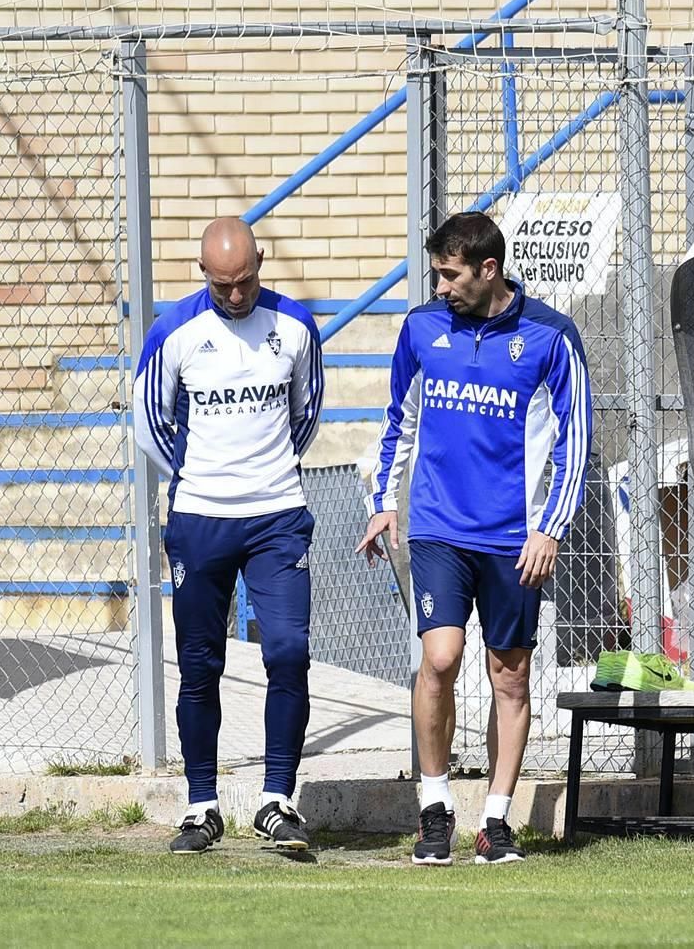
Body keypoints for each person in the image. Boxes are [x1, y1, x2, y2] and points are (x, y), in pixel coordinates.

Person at [356, 213, 591, 866]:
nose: (440, 285)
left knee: (509, 675)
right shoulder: (423, 329)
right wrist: (383, 503)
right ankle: (435, 807)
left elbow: (578, 439)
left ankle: (495, 820)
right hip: (436, 526)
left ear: (489, 270)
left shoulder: (551, 335)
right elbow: (398, 417)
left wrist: (551, 526)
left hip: (517, 539)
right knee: (441, 656)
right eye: (436, 271)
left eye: (450, 273)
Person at [133, 217, 324, 854]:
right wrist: (202, 479)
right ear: (202, 274)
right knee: (198, 664)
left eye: (244, 282)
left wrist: (265, 474)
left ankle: (276, 798)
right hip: (199, 520)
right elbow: (150, 420)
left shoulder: (295, 326)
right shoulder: (175, 331)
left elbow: (306, 413)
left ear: (260, 263)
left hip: (277, 516)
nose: (235, 295)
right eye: (222, 286)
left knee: (289, 650)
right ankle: (201, 805)